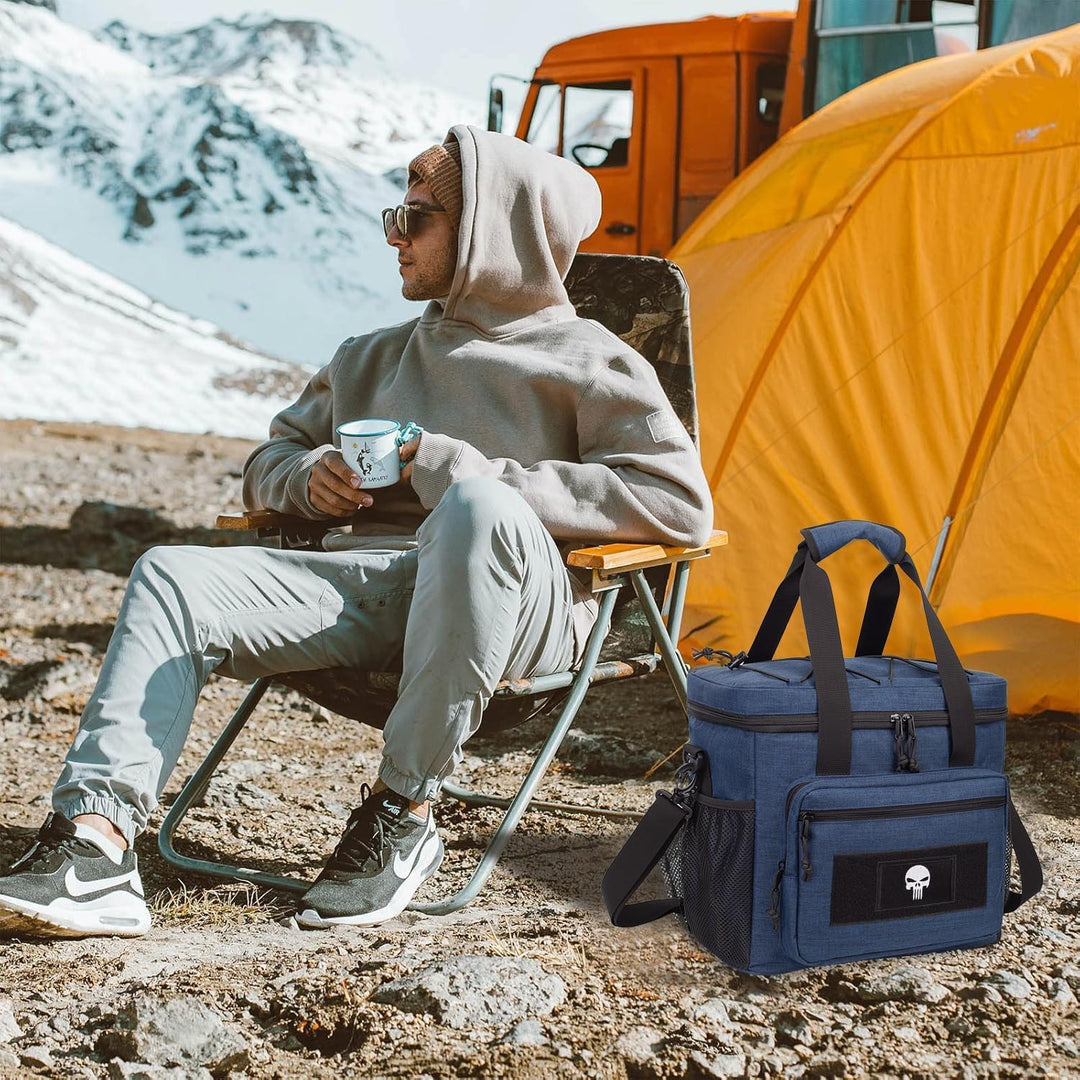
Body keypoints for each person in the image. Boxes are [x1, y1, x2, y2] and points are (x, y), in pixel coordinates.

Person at [0, 125, 712, 938]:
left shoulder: (594, 361)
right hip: (371, 592)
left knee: (475, 512)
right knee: (170, 574)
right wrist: (309, 479)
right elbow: (272, 457)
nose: (394, 238)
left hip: (521, 609)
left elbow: (678, 504)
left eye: (417, 221)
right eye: (393, 217)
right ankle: (95, 846)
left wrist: (450, 466)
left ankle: (401, 814)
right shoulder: (369, 356)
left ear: (487, 232)